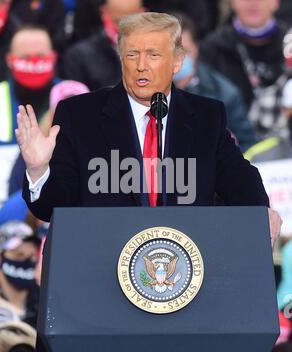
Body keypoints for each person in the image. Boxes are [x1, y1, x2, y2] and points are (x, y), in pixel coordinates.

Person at [15, 12, 282, 245]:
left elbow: (239, 179)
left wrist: (260, 212)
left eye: (153, 55)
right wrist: (39, 170)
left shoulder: (206, 116)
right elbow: (51, 207)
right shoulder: (79, 115)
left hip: (186, 270)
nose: (141, 65)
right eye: (132, 54)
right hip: (101, 266)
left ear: (177, 62)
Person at [200, 0, 289, 138]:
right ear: (232, 2)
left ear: (276, 2)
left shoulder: (289, 44)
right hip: (233, 145)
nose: (253, 3)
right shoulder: (212, 48)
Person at [173, 14, 257, 152]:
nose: (178, 59)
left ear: (197, 49)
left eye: (185, 51)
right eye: (171, 52)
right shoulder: (140, 90)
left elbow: (247, 145)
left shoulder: (225, 94)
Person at [0, 25, 58, 146]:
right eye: (25, 57)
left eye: (40, 56)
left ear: (54, 57)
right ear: (8, 60)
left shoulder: (71, 94)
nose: (33, 61)